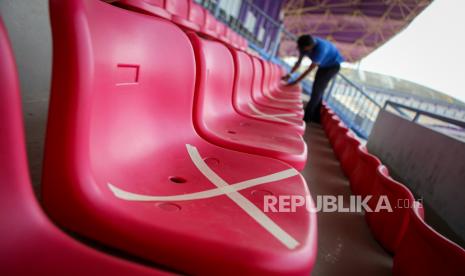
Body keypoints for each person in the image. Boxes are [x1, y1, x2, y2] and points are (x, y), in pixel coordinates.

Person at [282, 35, 344, 123]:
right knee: (318, 90)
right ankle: (316, 117)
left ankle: (306, 118)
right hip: (323, 65)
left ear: (311, 46)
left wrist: (296, 81)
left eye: (306, 49)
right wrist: (289, 74)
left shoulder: (321, 49)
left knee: (317, 90)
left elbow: (310, 69)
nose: (304, 51)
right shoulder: (303, 45)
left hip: (332, 66)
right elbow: (298, 63)